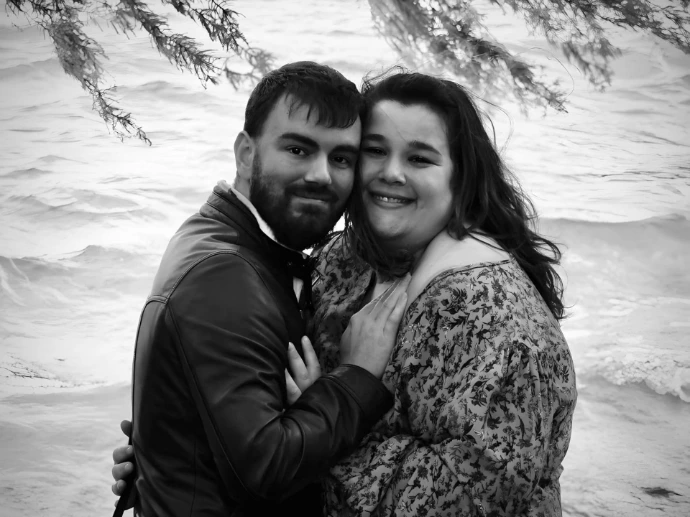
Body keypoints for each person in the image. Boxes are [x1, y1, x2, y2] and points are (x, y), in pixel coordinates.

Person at [114, 69, 577, 516]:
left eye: (419, 159)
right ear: (245, 153)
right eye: (375, 151)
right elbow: (254, 415)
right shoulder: (342, 260)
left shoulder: (501, 319)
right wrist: (178, 452)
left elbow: (475, 498)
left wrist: (329, 410)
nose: (390, 173)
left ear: (462, 178)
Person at [113, 61, 411, 517]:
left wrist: (163, 452)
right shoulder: (222, 274)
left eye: (341, 159)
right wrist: (356, 377)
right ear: (246, 154)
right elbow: (267, 467)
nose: (321, 175)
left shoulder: (223, 238)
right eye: (298, 149)